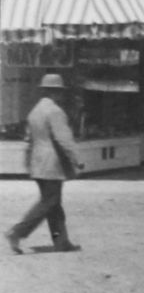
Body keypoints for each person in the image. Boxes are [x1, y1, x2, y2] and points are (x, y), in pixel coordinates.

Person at [6, 73, 83, 254]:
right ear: (56, 92)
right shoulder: (55, 112)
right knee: (50, 201)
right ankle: (17, 232)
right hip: (52, 163)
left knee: (53, 204)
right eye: (60, 92)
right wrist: (77, 159)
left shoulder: (35, 111)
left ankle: (61, 242)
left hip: (38, 162)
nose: (62, 95)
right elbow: (64, 139)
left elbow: (29, 139)